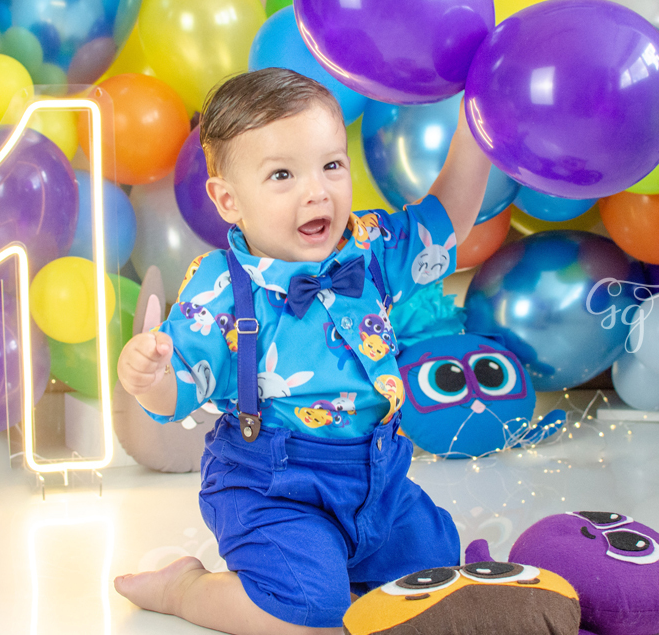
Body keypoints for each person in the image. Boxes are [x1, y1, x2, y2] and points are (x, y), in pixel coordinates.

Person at [114, 67, 493, 635]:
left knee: (438, 583)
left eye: (331, 165)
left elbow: (448, 219)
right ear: (228, 199)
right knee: (310, 613)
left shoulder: (370, 248)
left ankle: (345, 570)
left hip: (379, 481)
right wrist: (148, 379)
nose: (317, 191)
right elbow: (180, 387)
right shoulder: (220, 287)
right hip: (272, 487)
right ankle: (186, 588)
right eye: (282, 174)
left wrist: (477, 123)